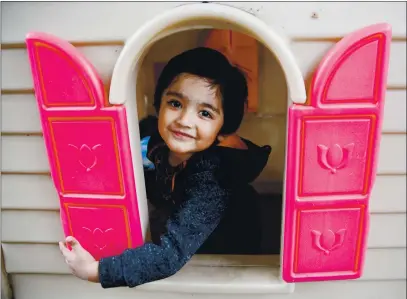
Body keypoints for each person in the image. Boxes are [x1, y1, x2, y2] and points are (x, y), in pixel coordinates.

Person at [59, 47, 272, 288]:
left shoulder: (213, 178)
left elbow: (171, 254)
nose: (184, 120)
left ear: (223, 129)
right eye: (175, 103)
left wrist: (96, 270)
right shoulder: (156, 141)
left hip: (229, 250)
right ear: (159, 104)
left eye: (205, 113)